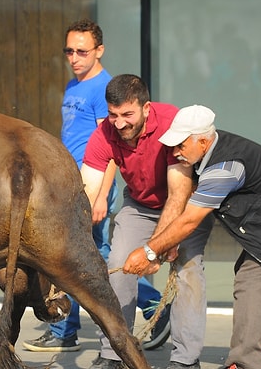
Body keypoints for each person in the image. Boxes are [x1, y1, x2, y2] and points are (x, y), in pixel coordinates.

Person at [123, 105, 261, 369]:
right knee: (252, 274)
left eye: (180, 145)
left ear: (203, 141)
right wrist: (169, 242)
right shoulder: (206, 150)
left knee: (252, 282)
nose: (174, 152)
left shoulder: (224, 168)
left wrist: (148, 251)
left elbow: (191, 219)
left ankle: (243, 362)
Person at [23, 20, 170, 353]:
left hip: (94, 187)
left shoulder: (105, 88)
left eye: (82, 51)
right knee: (78, 256)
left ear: (99, 51)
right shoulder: (74, 85)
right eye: (69, 51)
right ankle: (65, 330)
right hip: (72, 184)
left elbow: (115, 146)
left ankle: (158, 310)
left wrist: (101, 196)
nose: (74, 57)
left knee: (96, 259)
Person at [81, 75, 214, 369]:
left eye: (127, 114)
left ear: (146, 108)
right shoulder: (104, 133)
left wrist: (157, 248)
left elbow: (179, 194)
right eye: (113, 115)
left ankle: (185, 360)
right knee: (117, 267)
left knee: (188, 273)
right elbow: (87, 192)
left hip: (185, 205)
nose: (119, 123)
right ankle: (114, 352)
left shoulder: (170, 122)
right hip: (139, 205)